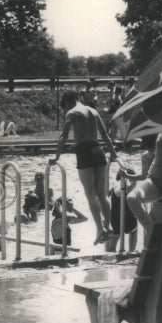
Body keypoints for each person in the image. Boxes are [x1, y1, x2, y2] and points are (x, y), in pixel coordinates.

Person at [51, 91, 118, 245]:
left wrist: (57, 157)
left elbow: (64, 136)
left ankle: (100, 229)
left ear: (67, 103)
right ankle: (107, 227)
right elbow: (106, 136)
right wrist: (113, 154)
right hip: (98, 151)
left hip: (84, 154)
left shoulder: (71, 112)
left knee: (90, 194)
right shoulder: (93, 111)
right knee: (102, 194)